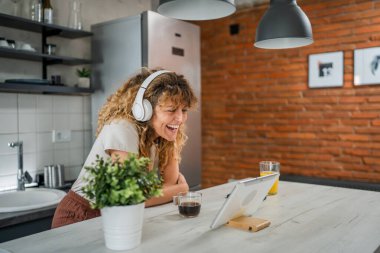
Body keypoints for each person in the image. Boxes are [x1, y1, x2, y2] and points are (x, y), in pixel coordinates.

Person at [51, 68, 197, 228]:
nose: (180, 118)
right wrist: (182, 188)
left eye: (184, 110)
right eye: (171, 110)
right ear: (144, 109)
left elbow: (169, 184)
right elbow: (132, 197)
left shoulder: (162, 135)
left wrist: (173, 187)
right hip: (80, 215)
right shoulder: (122, 127)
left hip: (117, 217)